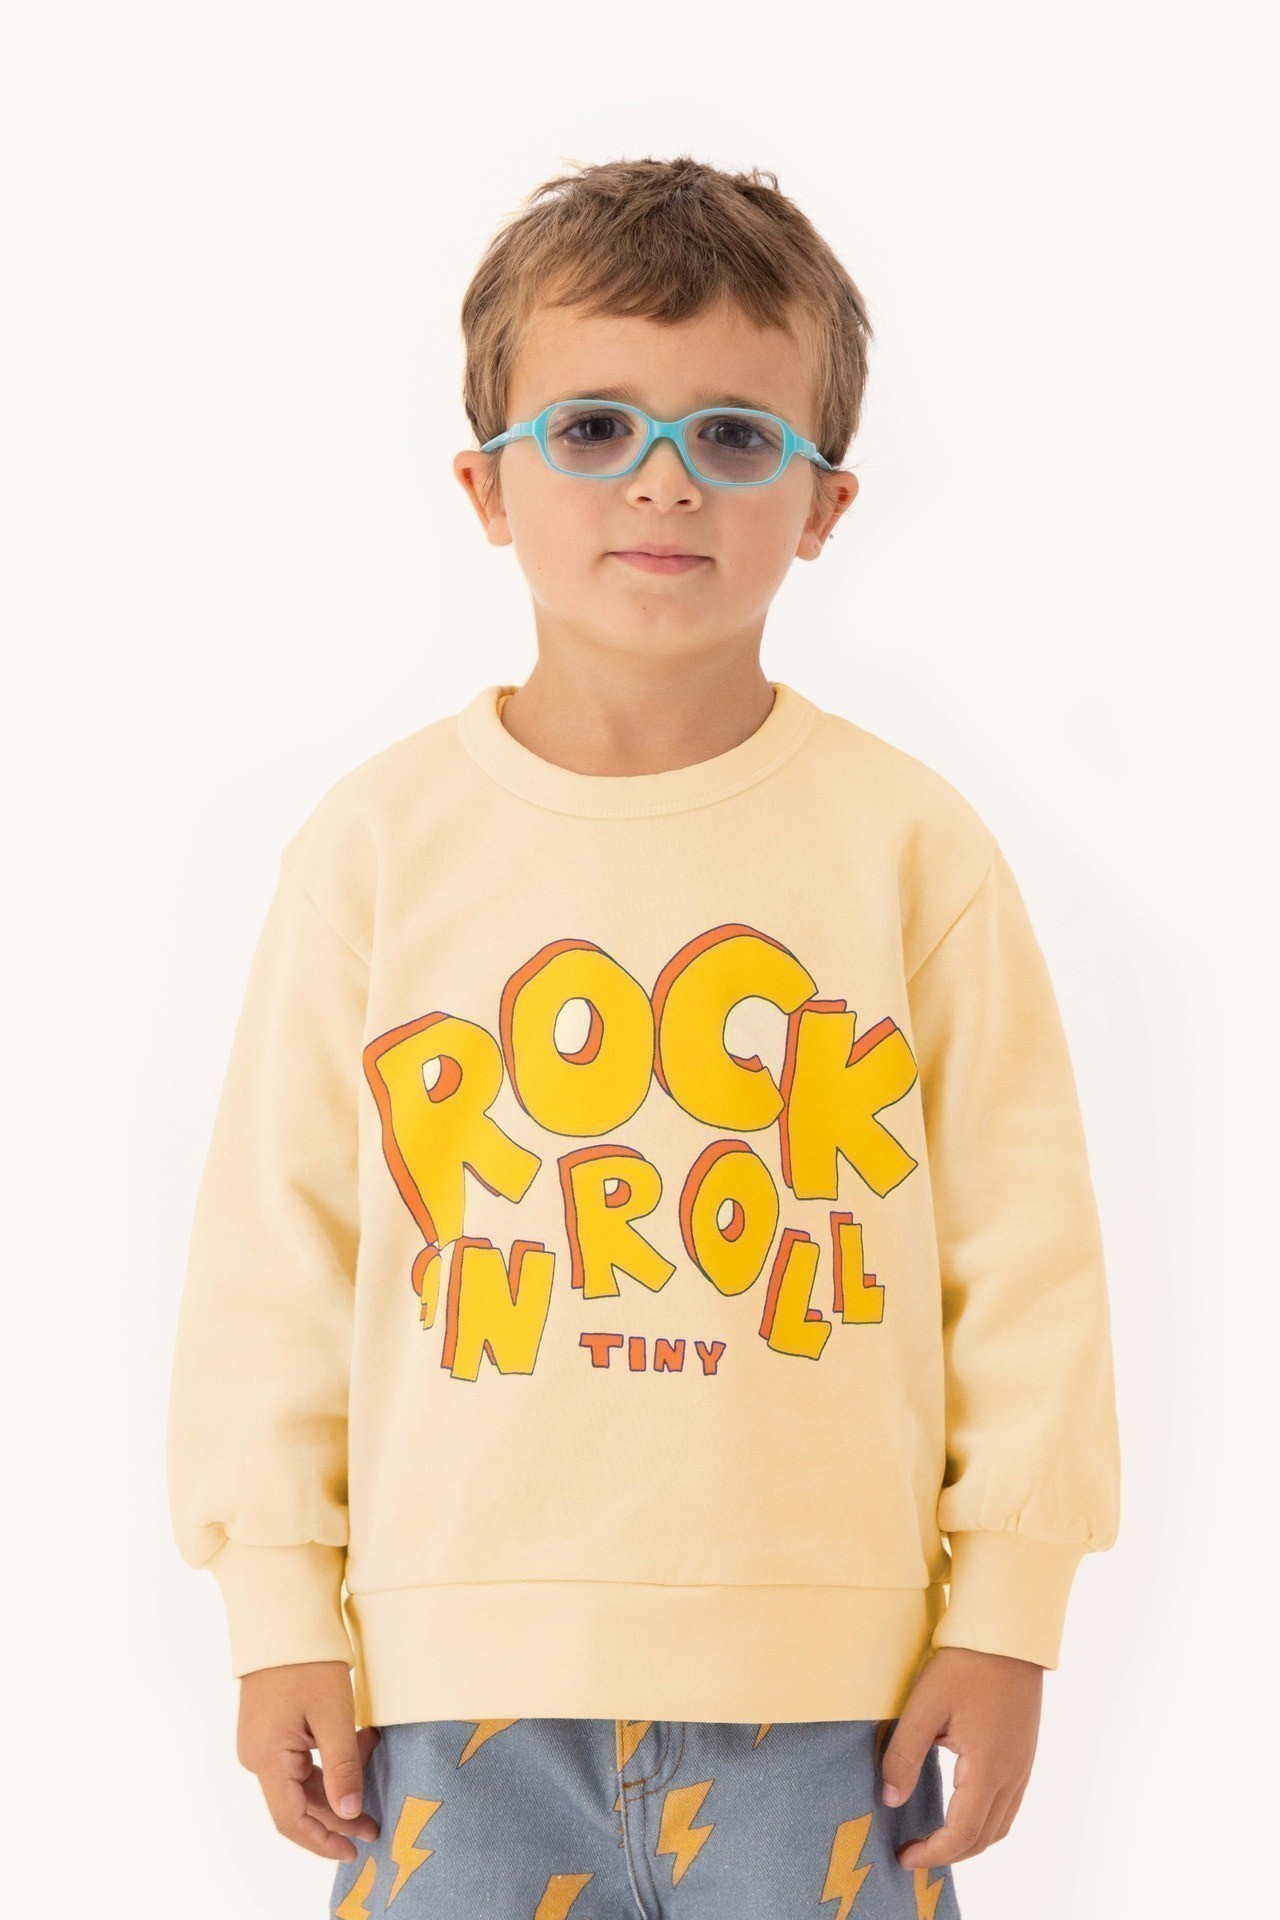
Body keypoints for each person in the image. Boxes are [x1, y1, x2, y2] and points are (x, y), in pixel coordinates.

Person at [166, 155, 1121, 1920]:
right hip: (447, 1699)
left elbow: (1027, 1259)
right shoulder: (379, 847)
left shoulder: (908, 848)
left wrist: (1009, 1610)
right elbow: (274, 1259)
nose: (665, 479)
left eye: (736, 436)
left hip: (836, 1705)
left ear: (824, 503)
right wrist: (277, 1604)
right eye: (594, 427)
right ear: (486, 486)